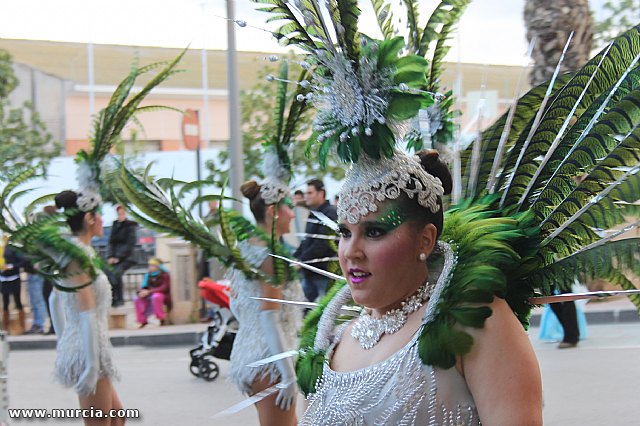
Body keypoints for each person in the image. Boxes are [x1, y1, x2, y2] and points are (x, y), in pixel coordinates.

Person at [299, 151, 542, 425]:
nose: (351, 252)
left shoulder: (475, 321)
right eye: (345, 233)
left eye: (374, 232)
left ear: (425, 240)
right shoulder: (332, 338)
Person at [228, 180, 303, 426]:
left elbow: (237, 305)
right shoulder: (270, 256)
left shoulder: (246, 247)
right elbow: (268, 316)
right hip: (270, 362)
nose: (293, 213)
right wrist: (288, 374)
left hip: (252, 353)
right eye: (289, 207)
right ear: (273, 211)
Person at [50, 190, 124, 425]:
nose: (103, 219)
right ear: (90, 218)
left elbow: (54, 300)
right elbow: (87, 311)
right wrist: (91, 365)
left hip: (89, 345)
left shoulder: (78, 252)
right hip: (87, 350)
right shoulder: (77, 256)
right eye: (99, 214)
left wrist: (64, 340)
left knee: (117, 420)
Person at [293, 179, 337, 302]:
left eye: (310, 193)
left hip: (323, 275)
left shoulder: (330, 213)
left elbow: (322, 244)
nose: (306, 196)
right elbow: (307, 241)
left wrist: (301, 261)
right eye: (306, 193)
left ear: (321, 193)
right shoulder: (314, 213)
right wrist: (294, 257)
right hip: (310, 273)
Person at [106, 205, 138, 307]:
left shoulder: (130, 226)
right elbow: (111, 242)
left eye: (123, 213)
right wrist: (110, 256)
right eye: (119, 214)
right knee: (107, 271)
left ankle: (119, 298)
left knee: (116, 272)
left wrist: (118, 257)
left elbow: (130, 243)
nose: (121, 216)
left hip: (127, 257)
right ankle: (113, 297)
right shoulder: (115, 225)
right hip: (114, 257)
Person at [134, 258, 172, 328]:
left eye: (153, 265)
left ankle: (161, 318)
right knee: (137, 299)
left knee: (156, 297)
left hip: (161, 295)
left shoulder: (165, 275)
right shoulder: (148, 276)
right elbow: (144, 287)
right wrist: (141, 292)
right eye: (150, 265)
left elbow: (164, 287)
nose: (150, 267)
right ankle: (142, 321)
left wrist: (149, 292)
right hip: (149, 294)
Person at [0, 244, 27, 334]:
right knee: (5, 303)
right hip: (3, 279)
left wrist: (12, 266)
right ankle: (5, 327)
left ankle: (22, 326)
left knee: (18, 302)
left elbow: (23, 261)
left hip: (14, 278)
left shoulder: (14, 248)